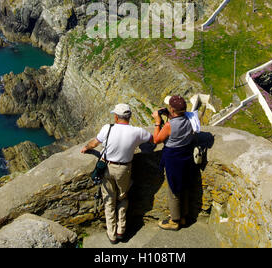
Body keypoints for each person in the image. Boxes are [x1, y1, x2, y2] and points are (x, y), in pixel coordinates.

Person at [81, 103, 152, 244]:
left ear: (116, 117)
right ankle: (121, 230)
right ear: (129, 116)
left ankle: (112, 234)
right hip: (124, 170)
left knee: (109, 200)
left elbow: (94, 143)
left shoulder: (108, 128)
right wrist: (157, 124)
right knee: (122, 198)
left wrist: (86, 147)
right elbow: (153, 139)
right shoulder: (137, 131)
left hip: (106, 167)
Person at [152, 95, 200, 231]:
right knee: (183, 186)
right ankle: (183, 216)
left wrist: (157, 121)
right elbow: (180, 122)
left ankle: (174, 220)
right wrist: (170, 114)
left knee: (174, 190)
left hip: (173, 158)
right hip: (186, 155)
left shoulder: (169, 125)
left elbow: (156, 139)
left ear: (172, 109)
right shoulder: (190, 118)